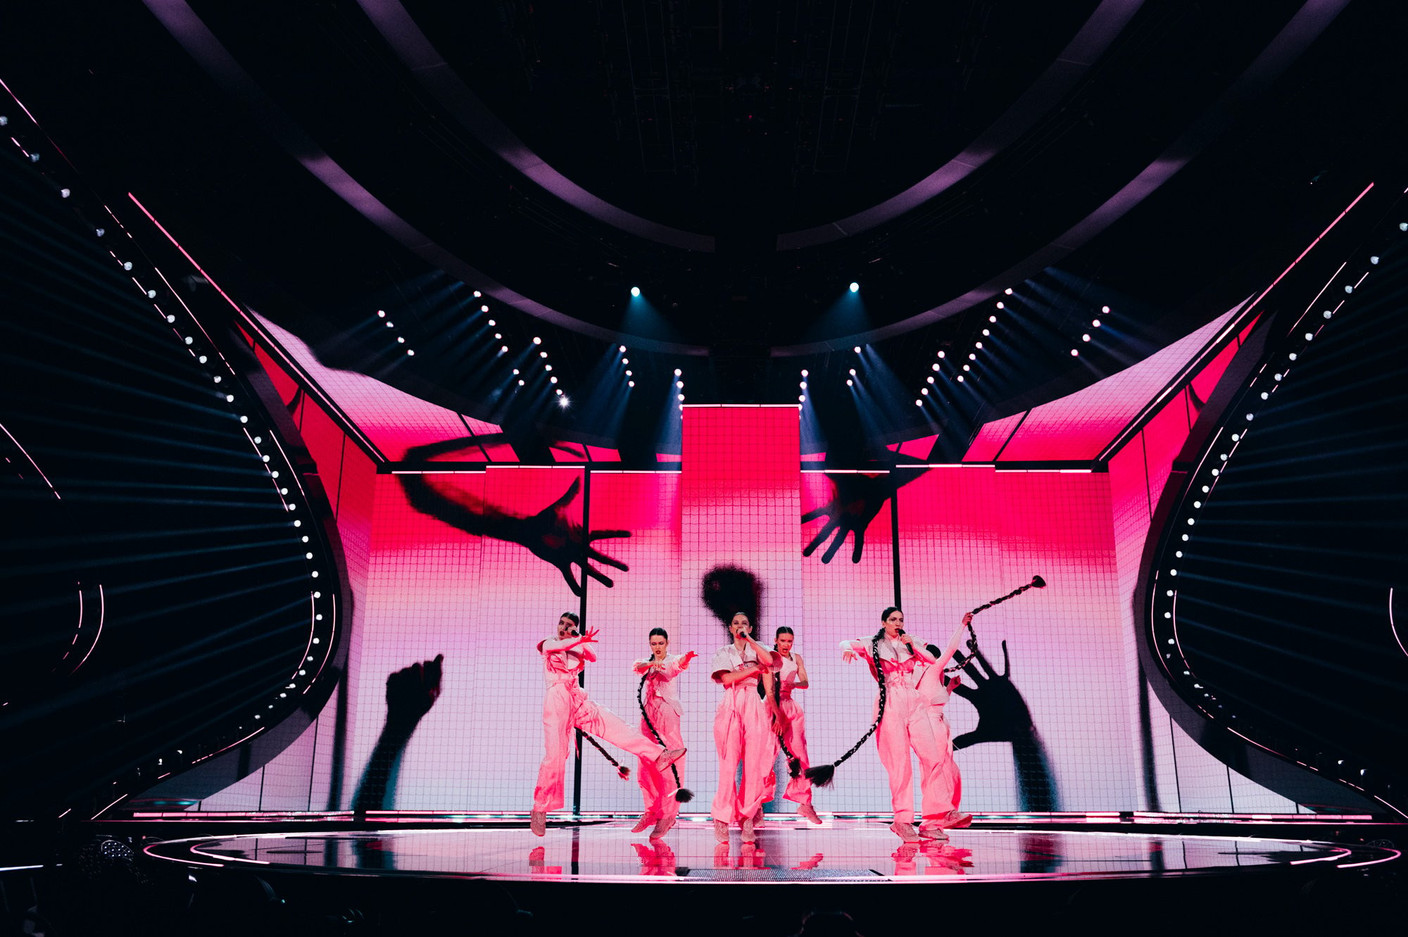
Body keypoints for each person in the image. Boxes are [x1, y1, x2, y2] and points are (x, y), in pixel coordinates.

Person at [530, 612, 684, 836]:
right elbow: (559, 647)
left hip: (576, 697)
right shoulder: (549, 643)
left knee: (615, 726)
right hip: (556, 699)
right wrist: (577, 640)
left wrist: (579, 637)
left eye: (569, 625)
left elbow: (591, 656)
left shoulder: (574, 644)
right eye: (562, 623)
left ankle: (659, 755)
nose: (564, 627)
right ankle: (539, 809)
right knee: (556, 756)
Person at [836, 608, 972, 841]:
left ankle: (934, 818)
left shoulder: (913, 642)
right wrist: (848, 649)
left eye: (900, 619)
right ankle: (902, 820)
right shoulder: (874, 642)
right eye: (893, 620)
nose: (898, 623)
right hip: (891, 702)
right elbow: (845, 642)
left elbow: (932, 660)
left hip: (914, 701)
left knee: (934, 756)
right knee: (900, 764)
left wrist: (914, 646)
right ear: (884, 622)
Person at [710, 611, 778, 843]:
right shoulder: (723, 652)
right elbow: (727, 679)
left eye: (745, 623)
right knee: (728, 764)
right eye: (736, 623)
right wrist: (753, 670)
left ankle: (747, 816)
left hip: (752, 702)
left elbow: (769, 662)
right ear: (730, 628)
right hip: (731, 702)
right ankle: (721, 818)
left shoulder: (757, 647)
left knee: (753, 764)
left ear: (750, 627)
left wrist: (750, 640)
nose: (740, 626)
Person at [632, 628, 697, 838]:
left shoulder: (670, 661)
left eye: (661, 643)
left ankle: (668, 815)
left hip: (667, 714)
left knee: (669, 766)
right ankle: (651, 811)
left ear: (667, 643)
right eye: (654, 644)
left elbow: (674, 668)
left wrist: (685, 659)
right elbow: (638, 667)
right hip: (648, 716)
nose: (657, 647)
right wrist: (651, 664)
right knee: (645, 764)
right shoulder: (647, 663)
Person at [771, 627, 822, 824]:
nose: (786, 645)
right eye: (783, 641)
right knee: (766, 757)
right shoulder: (770, 657)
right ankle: (755, 806)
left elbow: (805, 681)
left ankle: (805, 802)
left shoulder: (796, 658)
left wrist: (794, 685)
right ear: (776, 640)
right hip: (772, 705)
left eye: (789, 641)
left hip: (791, 706)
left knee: (800, 755)